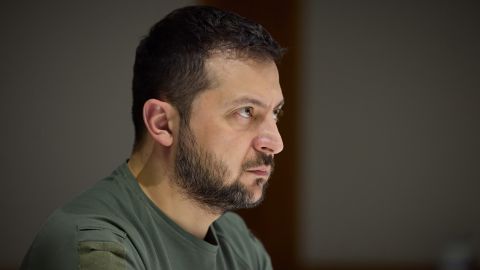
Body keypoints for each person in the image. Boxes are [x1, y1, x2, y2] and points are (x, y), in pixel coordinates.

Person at [21, 5, 285, 270]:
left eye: (275, 112)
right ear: (163, 124)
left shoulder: (237, 241)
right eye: (245, 112)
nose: (275, 143)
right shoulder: (93, 247)